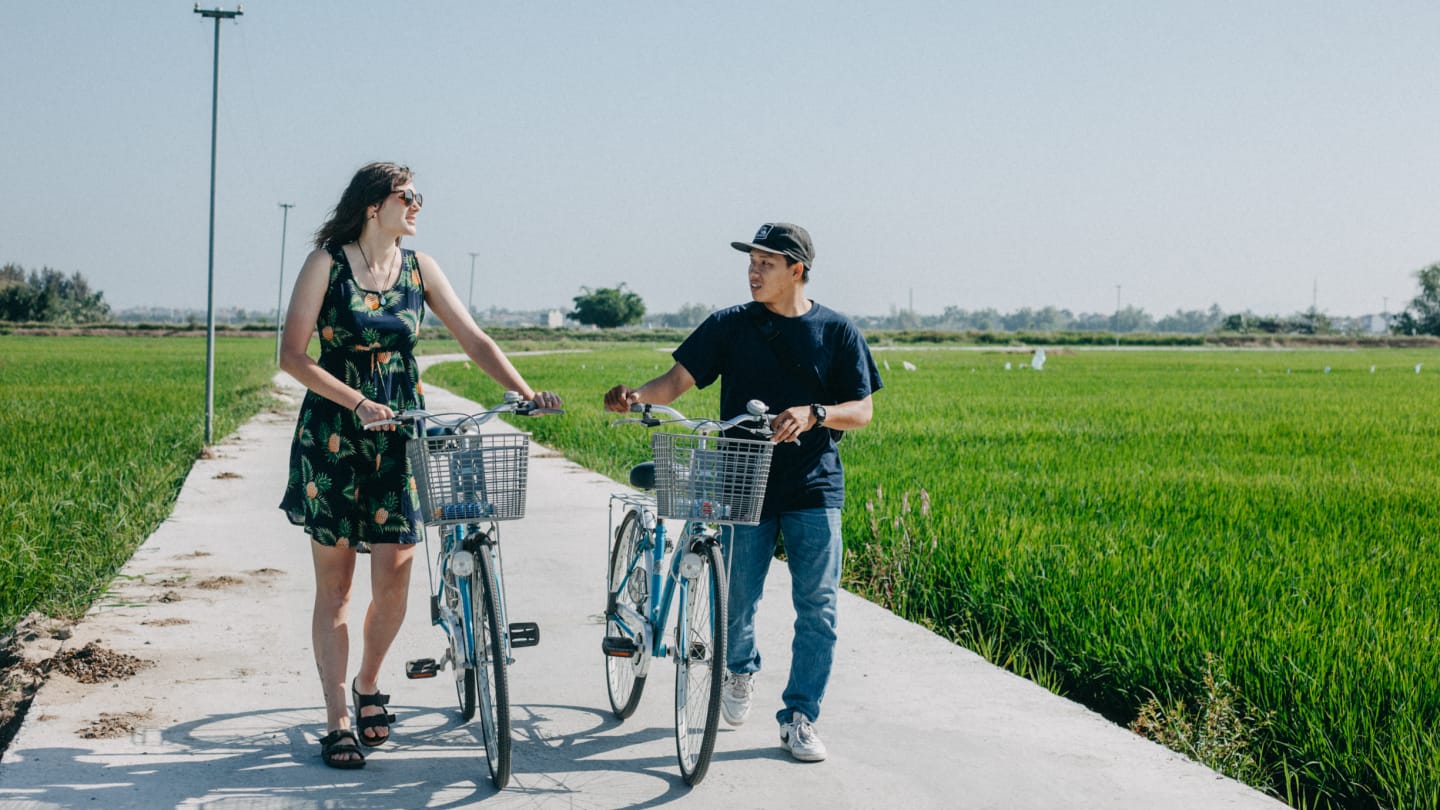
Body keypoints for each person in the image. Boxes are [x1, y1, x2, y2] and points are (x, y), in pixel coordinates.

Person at [278, 162, 561, 770]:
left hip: (402, 435)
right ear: (374, 205)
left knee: (395, 580)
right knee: (335, 587)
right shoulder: (327, 262)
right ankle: (335, 721)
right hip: (335, 435)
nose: (417, 206)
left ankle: (369, 683)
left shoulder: (419, 268)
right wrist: (357, 401)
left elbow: (474, 339)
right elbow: (293, 356)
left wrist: (523, 391)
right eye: (408, 196)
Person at [604, 222, 882, 762]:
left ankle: (800, 716)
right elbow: (676, 382)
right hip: (739, 481)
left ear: (797, 270)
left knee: (819, 608)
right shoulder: (729, 326)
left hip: (813, 485)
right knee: (736, 602)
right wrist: (636, 397)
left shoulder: (838, 332)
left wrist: (815, 413)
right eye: (751, 262)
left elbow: (863, 410)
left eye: (766, 264)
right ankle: (739, 669)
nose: (753, 273)